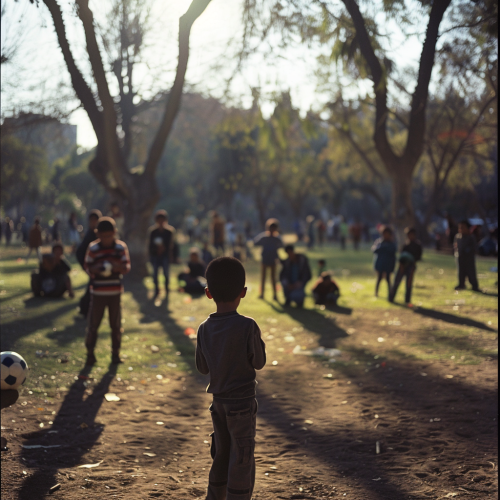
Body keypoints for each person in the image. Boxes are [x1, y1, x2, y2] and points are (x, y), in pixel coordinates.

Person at [195, 256, 266, 500]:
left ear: (208, 293)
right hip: (243, 405)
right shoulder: (248, 326)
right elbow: (259, 362)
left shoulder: (204, 328)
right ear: (243, 292)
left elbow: (203, 367)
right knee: (242, 459)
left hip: (218, 404)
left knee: (221, 453)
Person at [84, 217, 131, 365]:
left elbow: (126, 267)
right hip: (98, 293)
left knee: (115, 325)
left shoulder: (120, 247)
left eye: (109, 236)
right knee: (93, 325)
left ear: (115, 233)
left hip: (115, 293)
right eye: (103, 236)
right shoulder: (93, 248)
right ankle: (90, 354)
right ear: (98, 234)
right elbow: (87, 266)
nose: (106, 239)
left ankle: (115, 354)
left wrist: (116, 267)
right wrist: (96, 269)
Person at [76, 209, 102, 317]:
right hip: (93, 267)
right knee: (91, 289)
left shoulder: (100, 235)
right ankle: (85, 309)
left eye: (95, 220)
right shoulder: (90, 235)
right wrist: (86, 267)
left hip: (99, 267)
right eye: (92, 220)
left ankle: (87, 309)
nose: (93, 223)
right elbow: (80, 252)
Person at [389, 227, 423, 305]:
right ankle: (391, 298)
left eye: (412, 235)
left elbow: (418, 257)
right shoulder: (405, 245)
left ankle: (407, 300)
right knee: (396, 282)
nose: (410, 236)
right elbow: (401, 256)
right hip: (402, 266)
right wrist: (401, 266)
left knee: (409, 284)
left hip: (411, 267)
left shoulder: (418, 245)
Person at [253, 218, 283, 300]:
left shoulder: (277, 238)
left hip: (273, 259)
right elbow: (255, 242)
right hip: (265, 259)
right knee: (263, 277)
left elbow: (281, 245)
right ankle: (262, 294)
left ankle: (275, 295)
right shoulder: (264, 237)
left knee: (273, 278)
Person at [148, 210, 175, 298]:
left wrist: (164, 249)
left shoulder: (169, 232)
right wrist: (156, 250)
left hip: (165, 256)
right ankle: (156, 291)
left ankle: (166, 290)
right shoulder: (153, 232)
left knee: (166, 274)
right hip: (155, 256)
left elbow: (170, 245)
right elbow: (150, 245)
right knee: (155, 274)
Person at [371, 226, 396, 298]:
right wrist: (383, 248)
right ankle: (376, 293)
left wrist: (383, 248)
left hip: (388, 265)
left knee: (388, 280)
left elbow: (392, 252)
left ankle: (390, 294)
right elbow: (375, 250)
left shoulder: (392, 244)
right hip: (380, 264)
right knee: (379, 279)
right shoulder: (379, 242)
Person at [454, 220, 479, 291]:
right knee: (461, 272)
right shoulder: (458, 237)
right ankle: (461, 284)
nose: (461, 229)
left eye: (463, 227)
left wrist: (467, 251)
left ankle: (474, 286)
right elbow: (456, 246)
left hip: (469, 259)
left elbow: (474, 248)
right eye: (460, 227)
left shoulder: (471, 237)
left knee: (471, 273)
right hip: (460, 258)